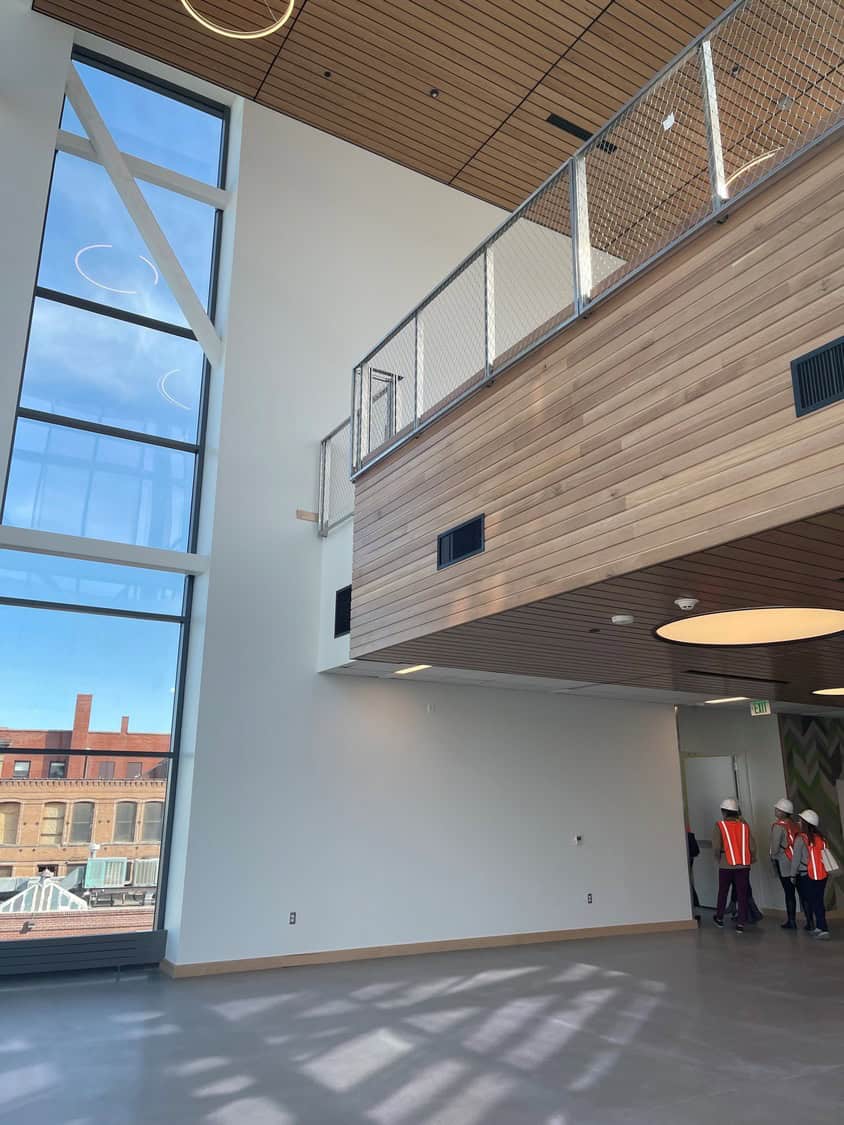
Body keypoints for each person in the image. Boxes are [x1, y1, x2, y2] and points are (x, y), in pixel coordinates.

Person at [712, 797, 756, 933]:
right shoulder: (744, 826)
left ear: (724, 812)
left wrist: (719, 859)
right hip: (743, 865)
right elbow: (752, 846)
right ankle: (741, 923)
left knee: (723, 892)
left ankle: (719, 918)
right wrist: (751, 859)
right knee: (742, 893)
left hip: (726, 864)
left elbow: (716, 846)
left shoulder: (719, 825)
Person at [790, 809, 831, 940]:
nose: (798, 822)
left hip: (807, 875)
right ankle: (820, 926)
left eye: (800, 820)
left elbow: (796, 859)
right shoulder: (821, 838)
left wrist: (792, 875)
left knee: (814, 901)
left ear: (805, 823)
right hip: (822, 874)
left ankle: (823, 928)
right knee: (818, 900)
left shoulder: (801, 839)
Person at [770, 797, 800, 929]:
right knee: (802, 892)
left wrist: (772, 856)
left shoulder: (778, 826)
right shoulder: (796, 825)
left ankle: (791, 921)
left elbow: (775, 848)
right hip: (799, 862)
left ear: (782, 812)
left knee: (789, 892)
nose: (775, 810)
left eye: (777, 808)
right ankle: (810, 922)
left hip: (785, 862)